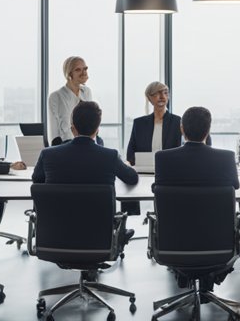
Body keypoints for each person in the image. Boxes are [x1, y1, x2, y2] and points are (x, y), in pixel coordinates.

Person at [33, 100, 139, 242]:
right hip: (99, 239)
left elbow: (37, 180)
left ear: (73, 128)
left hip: (56, 237)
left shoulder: (48, 155)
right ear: (97, 128)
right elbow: (132, 178)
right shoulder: (110, 156)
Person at [153, 107, 240, 189]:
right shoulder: (226, 157)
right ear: (208, 130)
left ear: (182, 129)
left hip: (176, 205)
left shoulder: (163, 158)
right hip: (212, 205)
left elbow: (157, 187)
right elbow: (235, 185)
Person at [125, 81, 182, 165]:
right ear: (149, 97)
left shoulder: (177, 121)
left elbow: (181, 151)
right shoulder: (139, 123)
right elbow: (130, 154)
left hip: (170, 170)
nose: (162, 97)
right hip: (143, 171)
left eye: (165, 93)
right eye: (157, 93)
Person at [47, 55, 92, 146]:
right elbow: (54, 133)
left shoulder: (87, 92)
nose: (84, 73)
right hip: (66, 145)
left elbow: (91, 121)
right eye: (78, 70)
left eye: (85, 69)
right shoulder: (56, 96)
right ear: (69, 74)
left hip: (87, 144)